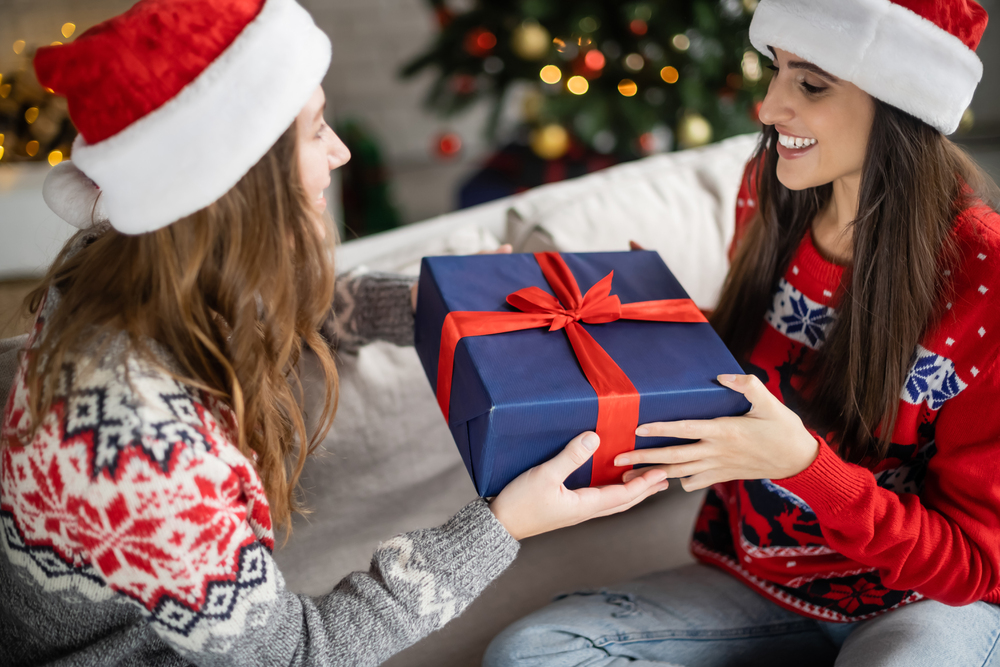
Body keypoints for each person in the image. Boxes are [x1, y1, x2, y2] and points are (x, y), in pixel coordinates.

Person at [0, 1, 672, 665]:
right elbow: (295, 656)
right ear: (238, 178)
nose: (341, 150)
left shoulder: (127, 269)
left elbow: (265, 313)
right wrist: (500, 524)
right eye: (316, 128)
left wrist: (425, 305)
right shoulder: (141, 440)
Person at [485, 1, 1000, 665]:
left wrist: (806, 469)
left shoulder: (984, 275)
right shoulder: (770, 190)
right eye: (776, 71)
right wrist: (638, 322)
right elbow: (750, 370)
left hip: (921, 603)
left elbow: (974, 567)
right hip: (759, 583)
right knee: (531, 653)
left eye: (810, 83)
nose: (767, 107)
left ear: (903, 102)